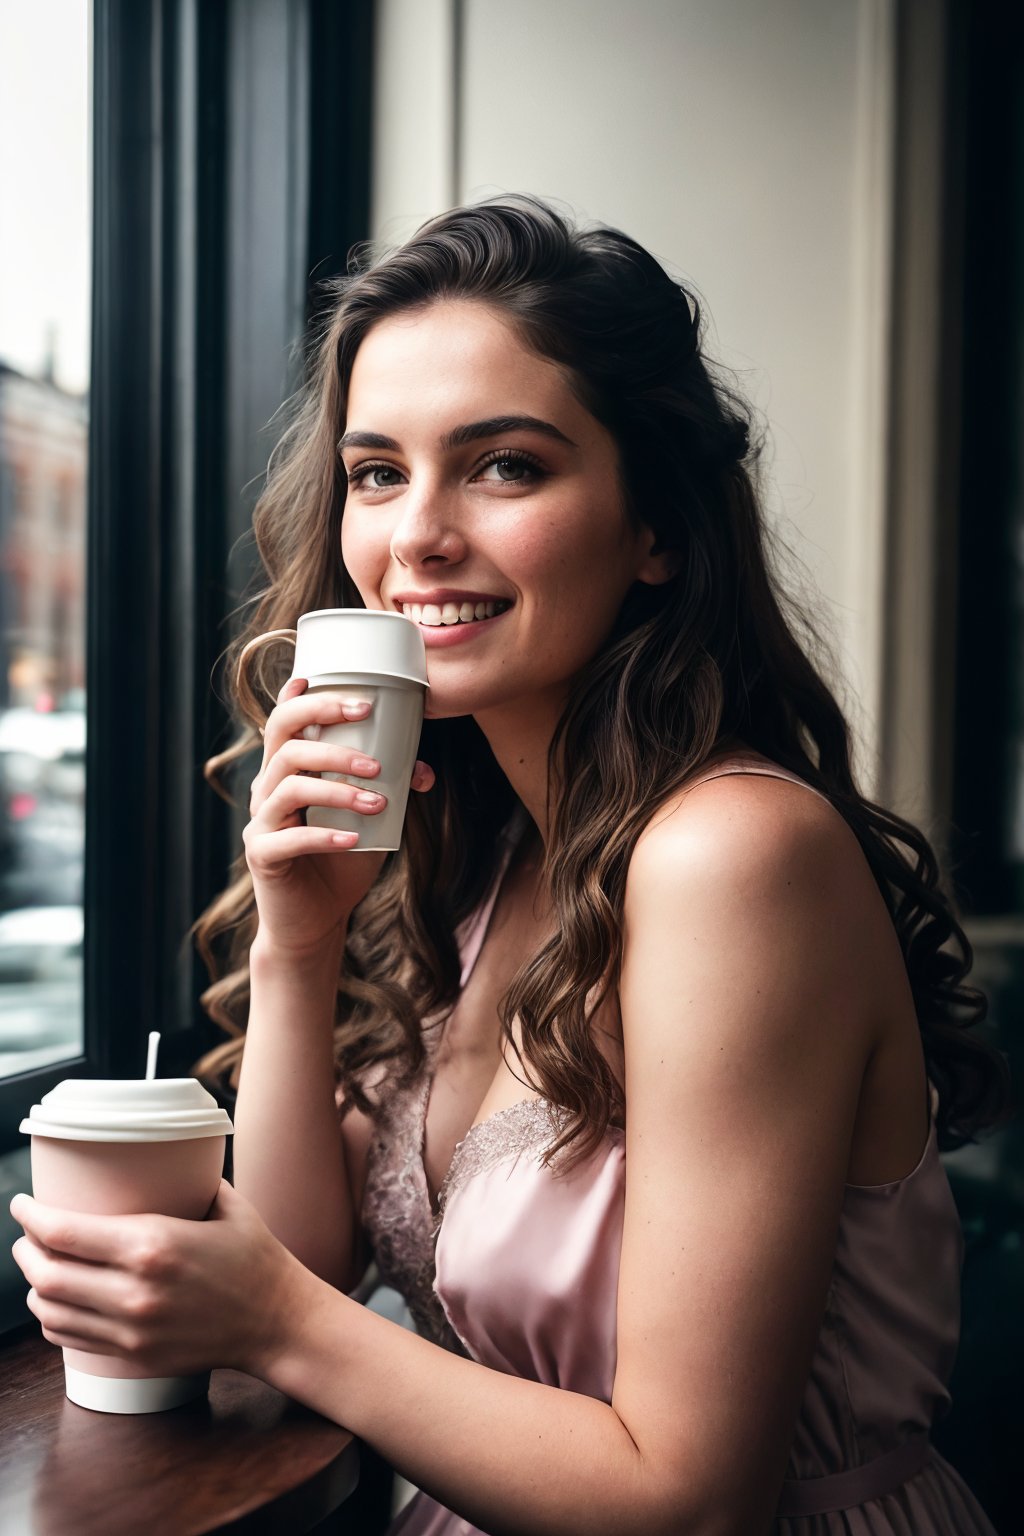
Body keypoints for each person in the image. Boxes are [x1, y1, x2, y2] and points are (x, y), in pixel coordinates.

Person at [10, 196, 1009, 1535]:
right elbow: (302, 1256)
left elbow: (689, 1496)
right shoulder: (478, 865)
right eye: (377, 472)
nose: (415, 534)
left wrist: (278, 1316)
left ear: (655, 527)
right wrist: (299, 949)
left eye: (505, 467)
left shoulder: (733, 857)